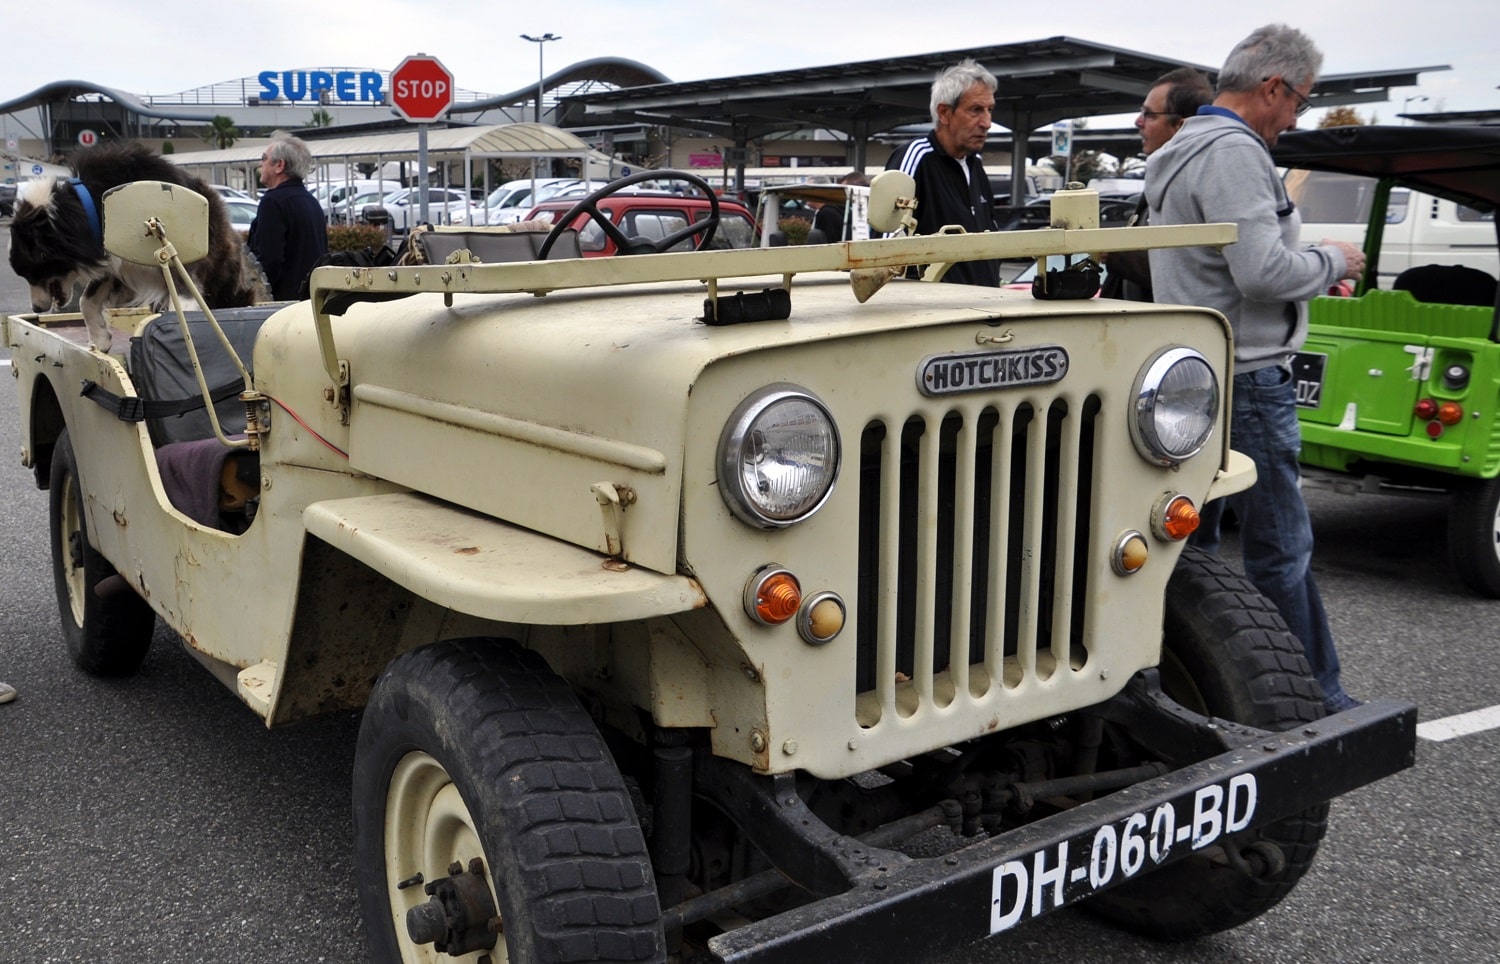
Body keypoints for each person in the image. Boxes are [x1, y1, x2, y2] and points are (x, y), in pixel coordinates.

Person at [1145, 24, 1366, 713]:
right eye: (1298, 101)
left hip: (1197, 378)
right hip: (1251, 373)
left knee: (1193, 547)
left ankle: (1193, 690)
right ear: (1271, 88)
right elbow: (1263, 271)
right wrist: (1335, 260)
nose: (1296, 117)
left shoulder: (1180, 147)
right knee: (1280, 550)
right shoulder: (1236, 153)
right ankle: (1318, 701)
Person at [1099, 67, 1213, 301]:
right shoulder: (1164, 175)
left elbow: (1183, 268)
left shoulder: (1195, 184)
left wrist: (1111, 251)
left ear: (1180, 126)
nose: (1138, 121)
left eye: (1150, 115)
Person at [885, 59, 1001, 286]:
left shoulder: (975, 163)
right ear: (945, 113)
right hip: (939, 314)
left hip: (986, 309)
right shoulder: (916, 158)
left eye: (990, 110)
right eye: (976, 110)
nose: (987, 123)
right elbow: (886, 248)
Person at [248, 133, 327, 301]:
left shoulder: (273, 203)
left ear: (279, 165)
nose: (260, 163)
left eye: (264, 158)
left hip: (282, 305)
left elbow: (269, 261)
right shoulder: (311, 202)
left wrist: (257, 297)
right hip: (311, 300)